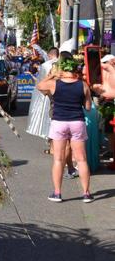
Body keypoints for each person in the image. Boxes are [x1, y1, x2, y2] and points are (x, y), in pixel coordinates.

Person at [37, 55, 93, 203]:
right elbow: (88, 108)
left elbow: (39, 86)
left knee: (58, 159)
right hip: (77, 122)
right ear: (75, 69)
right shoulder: (83, 85)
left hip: (59, 122)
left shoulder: (54, 84)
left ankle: (57, 193)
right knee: (81, 159)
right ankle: (86, 193)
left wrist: (51, 75)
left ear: (62, 69)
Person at [27, 47, 59, 154]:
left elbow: (40, 84)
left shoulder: (45, 66)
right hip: (62, 96)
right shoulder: (62, 64)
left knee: (50, 122)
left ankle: (53, 148)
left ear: (50, 55)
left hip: (48, 95)